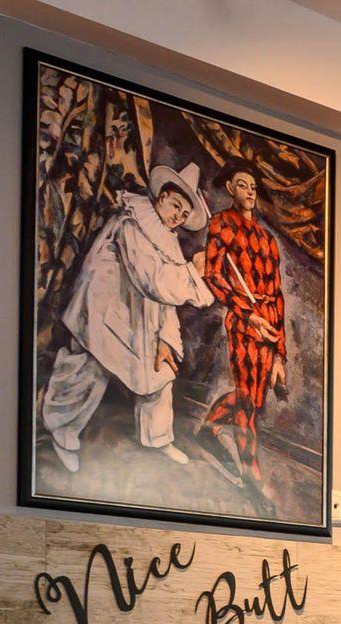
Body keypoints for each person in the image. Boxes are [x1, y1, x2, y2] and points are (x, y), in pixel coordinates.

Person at [38, 162, 214, 472]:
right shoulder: (131, 222)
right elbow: (151, 279)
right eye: (176, 205)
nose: (178, 216)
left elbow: (165, 301)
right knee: (89, 369)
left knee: (161, 372)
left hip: (139, 319)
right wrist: (192, 274)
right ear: (162, 197)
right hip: (104, 311)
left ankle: (158, 438)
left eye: (185, 214)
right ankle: (61, 433)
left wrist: (166, 339)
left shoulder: (169, 240)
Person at [198, 159, 288, 503]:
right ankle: (252, 480)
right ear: (230, 189)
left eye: (252, 186)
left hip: (268, 326)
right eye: (242, 185)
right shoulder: (222, 224)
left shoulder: (267, 239)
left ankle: (208, 431)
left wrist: (279, 352)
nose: (249, 192)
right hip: (244, 323)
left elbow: (277, 295)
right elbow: (213, 275)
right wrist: (249, 315)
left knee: (253, 398)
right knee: (249, 401)